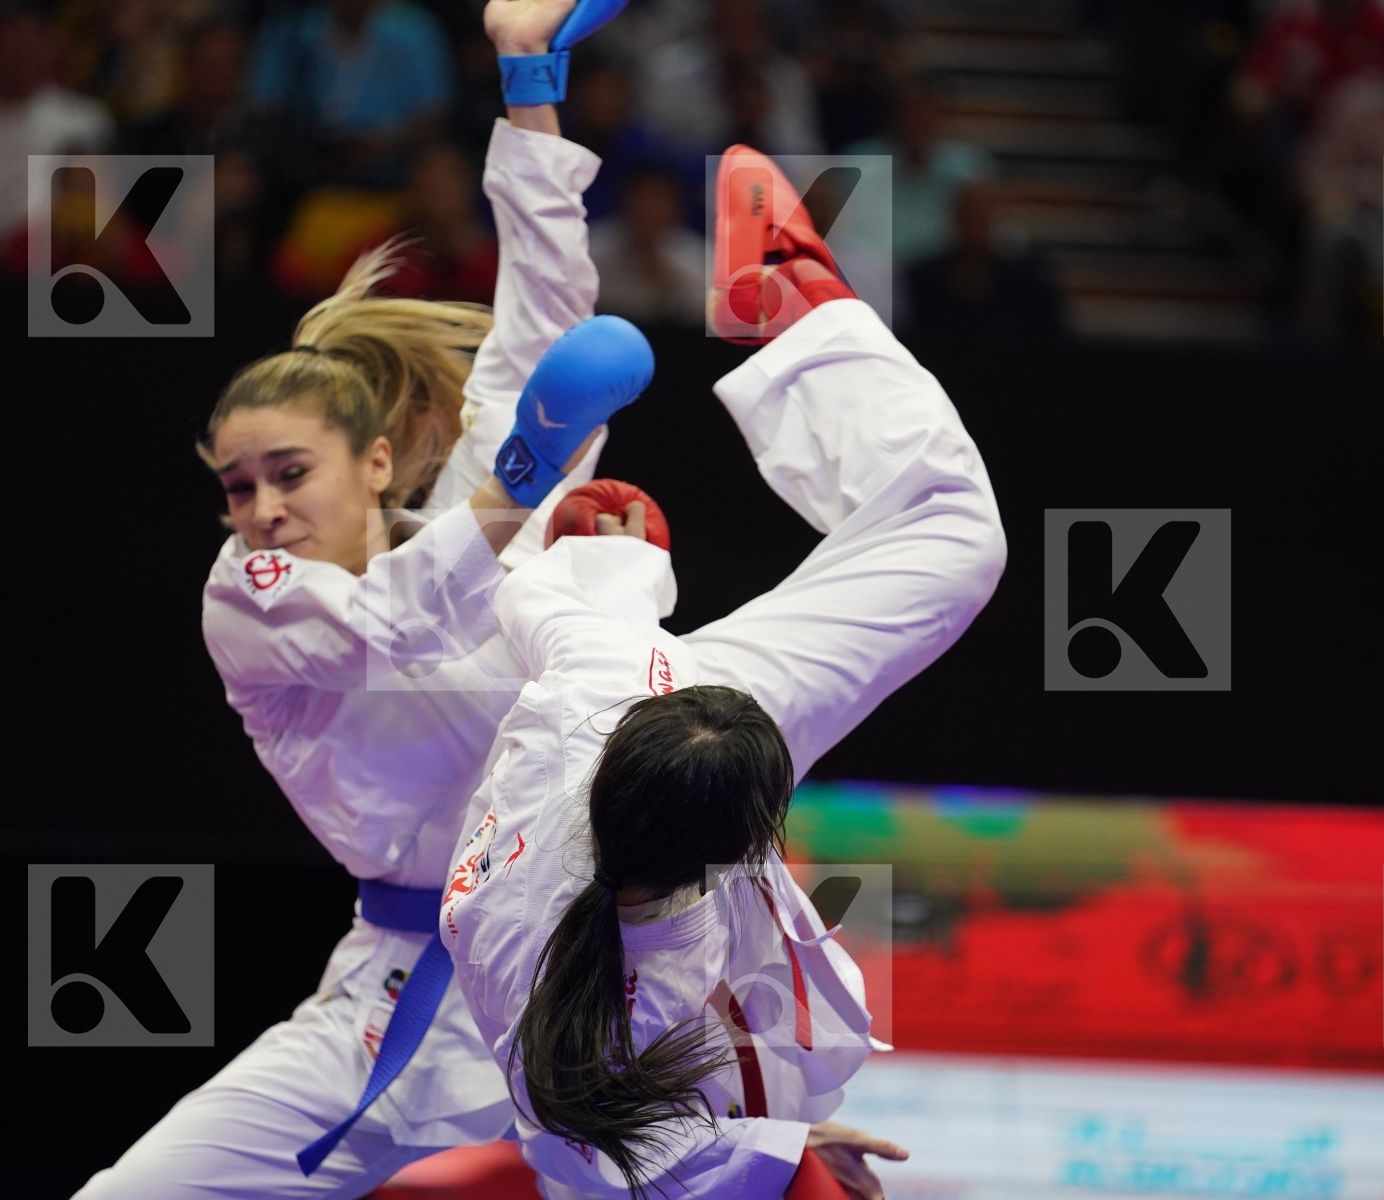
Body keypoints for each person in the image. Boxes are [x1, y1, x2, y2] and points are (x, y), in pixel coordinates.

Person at [74, 1, 639, 1196]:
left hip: (581, 976)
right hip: (396, 989)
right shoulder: (251, 597)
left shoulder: (473, 530)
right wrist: (517, 491)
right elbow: (393, 622)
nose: (262, 507)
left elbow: (544, 311)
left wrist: (527, 74)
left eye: (289, 474)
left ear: (376, 463)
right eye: (237, 487)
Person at [441, 145, 1007, 1199]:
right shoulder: (601, 727)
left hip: (634, 1096)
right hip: (648, 728)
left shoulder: (624, 1011)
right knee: (950, 539)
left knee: (951, 534)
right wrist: (600, 554)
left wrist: (592, 549)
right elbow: (539, 610)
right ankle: (796, 314)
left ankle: (787, 316)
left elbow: (662, 1161)